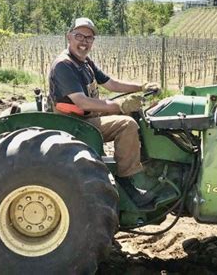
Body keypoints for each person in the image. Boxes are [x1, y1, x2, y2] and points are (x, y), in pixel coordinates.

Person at [48, 17, 160, 206]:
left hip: (86, 117)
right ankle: (127, 183)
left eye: (89, 37)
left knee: (134, 115)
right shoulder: (64, 65)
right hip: (74, 123)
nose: (83, 41)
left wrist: (141, 86)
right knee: (127, 125)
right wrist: (121, 106)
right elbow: (82, 103)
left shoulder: (85, 63)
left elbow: (111, 84)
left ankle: (145, 164)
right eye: (79, 36)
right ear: (69, 37)